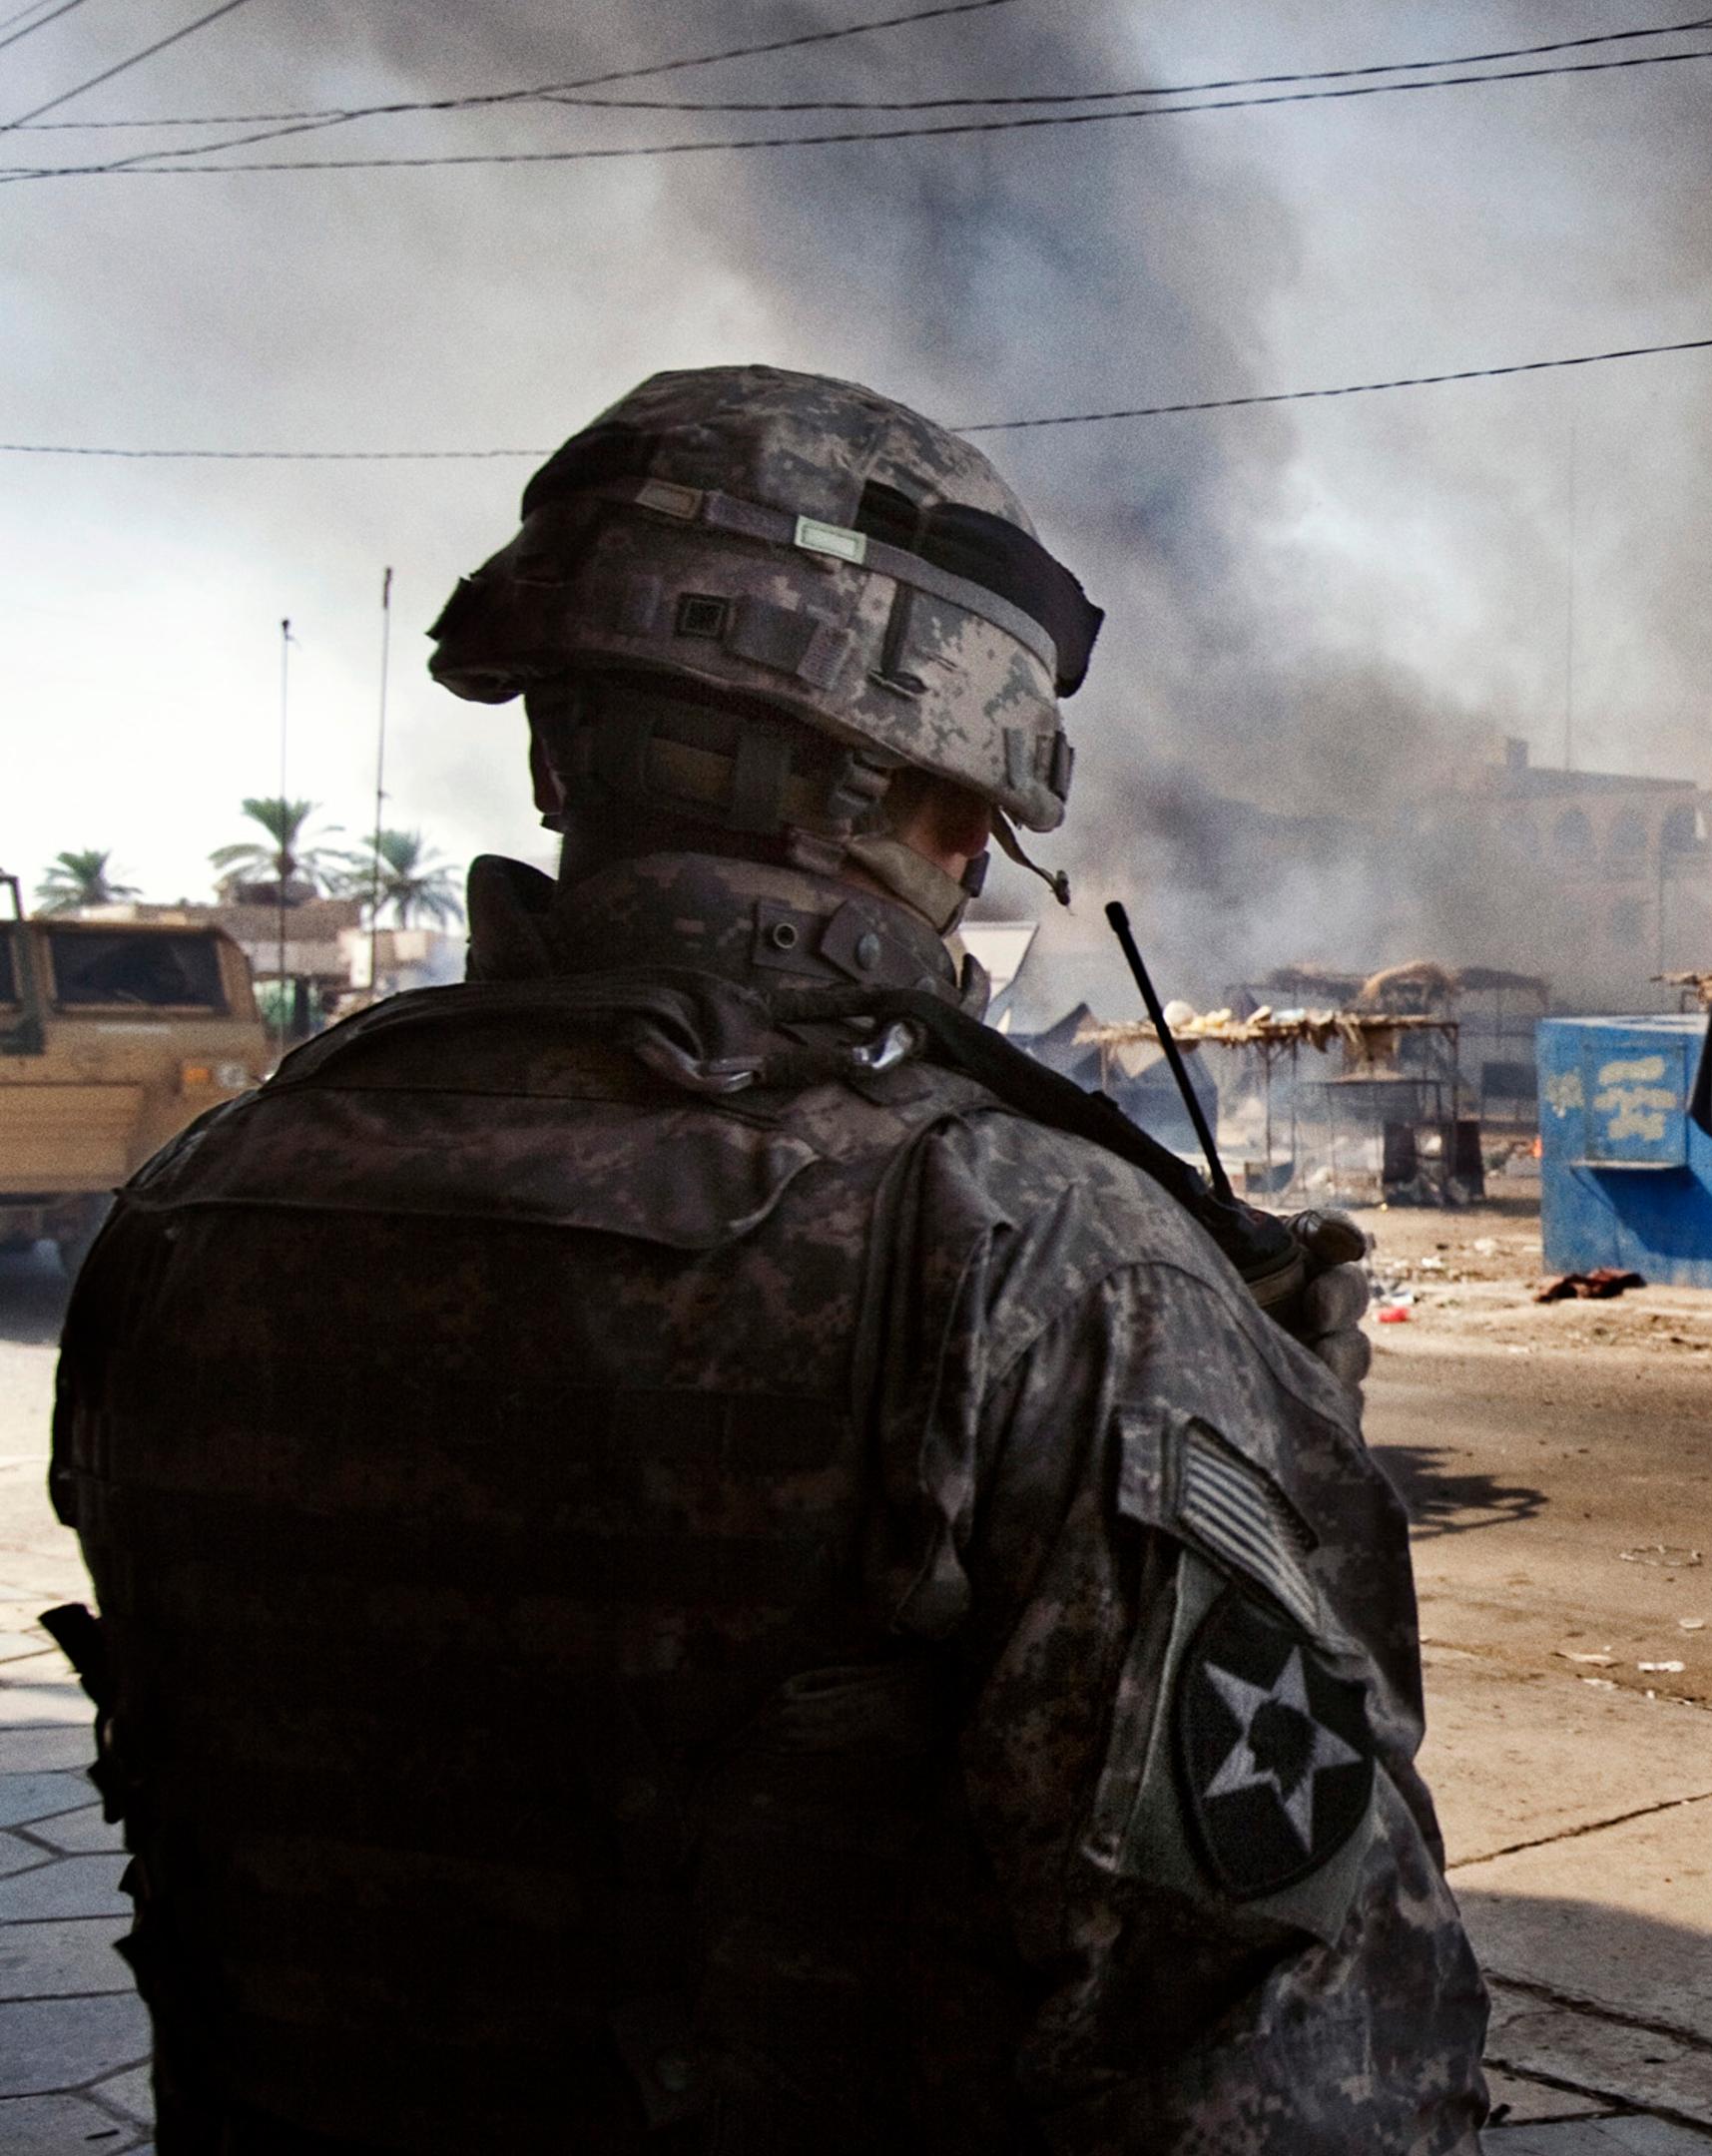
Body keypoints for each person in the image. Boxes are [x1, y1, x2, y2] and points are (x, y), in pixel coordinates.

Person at [47, 365, 1488, 2151]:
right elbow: (1294, 2040)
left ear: (556, 738)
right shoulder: (1032, 1250)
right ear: (957, 800)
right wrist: (1232, 1405)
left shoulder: (207, 1197)